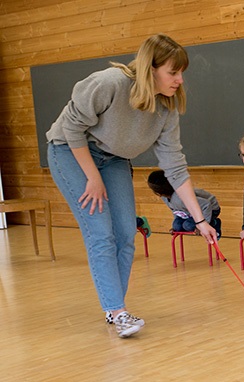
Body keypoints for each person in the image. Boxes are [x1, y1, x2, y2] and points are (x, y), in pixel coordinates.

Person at [46, 34, 218, 338]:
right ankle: (118, 311)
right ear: (150, 69)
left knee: (126, 233)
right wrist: (92, 177)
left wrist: (201, 220)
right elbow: (72, 127)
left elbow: (175, 168)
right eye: (172, 72)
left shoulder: (166, 110)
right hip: (70, 151)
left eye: (181, 73)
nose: (179, 79)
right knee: (101, 232)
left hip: (113, 158)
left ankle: (115, 308)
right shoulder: (110, 83)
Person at [147, 169, 221, 237]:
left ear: (157, 192)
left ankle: (214, 222)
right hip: (189, 211)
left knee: (188, 226)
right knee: (177, 226)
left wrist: (204, 224)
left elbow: (206, 204)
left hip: (211, 209)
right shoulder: (165, 197)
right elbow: (176, 210)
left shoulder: (181, 197)